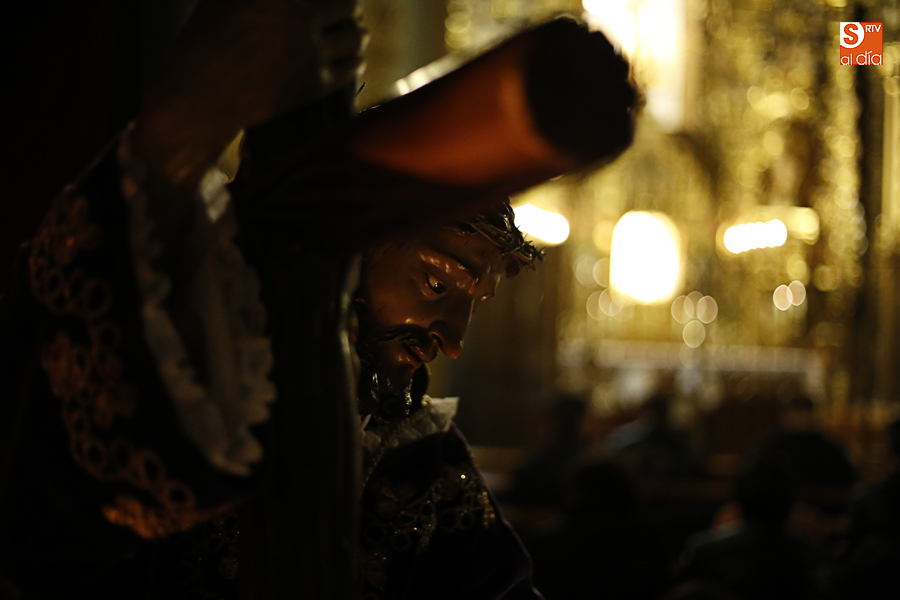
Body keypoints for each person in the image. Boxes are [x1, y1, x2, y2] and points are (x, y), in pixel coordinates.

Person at [0, 1, 639, 597]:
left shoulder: (420, 464)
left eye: (474, 301)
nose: (452, 337)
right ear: (360, 245)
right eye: (437, 283)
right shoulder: (201, 348)